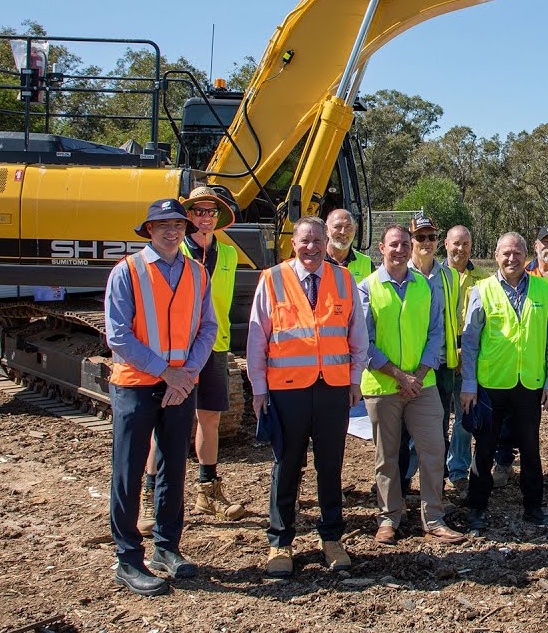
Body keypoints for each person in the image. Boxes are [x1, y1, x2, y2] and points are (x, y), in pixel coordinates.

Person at [106, 199, 217, 596]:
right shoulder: (128, 271)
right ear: (149, 230)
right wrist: (167, 373)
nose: (172, 232)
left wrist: (186, 375)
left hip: (180, 386)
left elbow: (207, 327)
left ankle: (167, 548)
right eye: (163, 225)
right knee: (129, 470)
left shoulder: (197, 273)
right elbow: (118, 335)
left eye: (178, 225)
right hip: (136, 384)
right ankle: (128, 559)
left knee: (173, 468)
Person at [247, 216, 369, 577]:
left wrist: (354, 380)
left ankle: (331, 538)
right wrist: (258, 389)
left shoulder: (343, 279)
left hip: (332, 388)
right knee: (286, 465)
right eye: (305, 241)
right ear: (293, 244)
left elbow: (357, 336)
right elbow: (256, 340)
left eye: (317, 240)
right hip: (287, 391)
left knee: (330, 466)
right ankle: (280, 541)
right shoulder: (272, 279)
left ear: (326, 241)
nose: (311, 248)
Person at [137, 188, 243, 538]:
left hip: (214, 346)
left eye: (211, 212)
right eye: (198, 211)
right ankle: (151, 495)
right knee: (165, 423)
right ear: (188, 217)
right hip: (177, 351)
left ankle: (208, 491)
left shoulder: (229, 254)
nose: (205, 217)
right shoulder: (174, 250)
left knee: (210, 418)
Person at [360, 224, 466, 546]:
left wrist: (417, 375)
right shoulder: (367, 288)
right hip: (383, 387)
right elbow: (364, 342)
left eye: (405, 244)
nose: (400, 250)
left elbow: (436, 333)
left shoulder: (425, 287)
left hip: (423, 386)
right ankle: (389, 518)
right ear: (381, 248)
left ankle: (433, 518)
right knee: (387, 456)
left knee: (433, 450)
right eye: (393, 244)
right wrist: (398, 375)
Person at [461, 232, 548, 530]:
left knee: (531, 448)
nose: (511, 258)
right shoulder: (482, 290)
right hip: (491, 384)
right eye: (506, 253)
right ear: (496, 256)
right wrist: (469, 384)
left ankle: (533, 507)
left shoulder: (543, 290)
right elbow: (470, 342)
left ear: (526, 256)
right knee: (484, 448)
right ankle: (477, 508)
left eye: (517, 253)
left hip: (529, 384)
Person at [400, 214, 463, 492]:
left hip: (440, 365)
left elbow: (452, 318)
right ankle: (402, 485)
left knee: (438, 429)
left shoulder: (449, 276)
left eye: (431, 237)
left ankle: (435, 489)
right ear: (411, 240)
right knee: (404, 432)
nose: (426, 242)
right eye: (420, 237)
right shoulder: (400, 272)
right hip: (409, 366)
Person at [444, 225, 477, 492]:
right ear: (446, 244)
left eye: (465, 244)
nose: (460, 249)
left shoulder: (482, 279)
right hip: (438, 356)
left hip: (468, 356)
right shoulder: (434, 275)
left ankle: (457, 470)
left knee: (464, 418)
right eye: (456, 243)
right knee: (433, 418)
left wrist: (466, 354)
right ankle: (417, 472)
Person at [325, 208, 373, 280]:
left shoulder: (366, 263)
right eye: (337, 226)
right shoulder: (315, 261)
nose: (343, 232)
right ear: (326, 229)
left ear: (355, 228)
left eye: (348, 227)